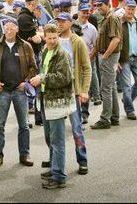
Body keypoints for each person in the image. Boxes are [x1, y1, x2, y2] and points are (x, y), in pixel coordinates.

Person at [29, 23, 75, 189]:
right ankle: (54, 168)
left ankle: (59, 177)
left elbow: (65, 78)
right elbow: (45, 70)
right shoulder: (45, 51)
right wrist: (41, 76)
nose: (52, 41)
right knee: (50, 139)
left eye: (55, 37)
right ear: (44, 38)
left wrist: (43, 78)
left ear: (58, 36)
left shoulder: (62, 54)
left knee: (57, 141)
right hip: (46, 101)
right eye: (49, 38)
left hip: (57, 102)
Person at [0, 19, 37, 168]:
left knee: (24, 125)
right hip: (3, 91)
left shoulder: (25, 46)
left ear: (17, 30)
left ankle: (24, 154)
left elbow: (33, 67)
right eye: (6, 29)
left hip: (19, 91)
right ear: (3, 30)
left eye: (11, 29)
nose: (8, 31)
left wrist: (26, 82)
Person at [55, 13, 91, 174]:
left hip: (73, 92)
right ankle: (54, 162)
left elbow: (86, 67)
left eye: (63, 21)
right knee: (54, 131)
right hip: (56, 92)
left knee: (76, 128)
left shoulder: (77, 42)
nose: (60, 24)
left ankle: (82, 160)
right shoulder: (54, 39)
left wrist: (84, 90)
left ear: (70, 23)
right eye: (58, 21)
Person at [90, 0, 121, 130]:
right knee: (111, 86)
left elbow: (116, 40)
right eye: (96, 6)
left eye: (100, 5)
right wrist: (91, 56)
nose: (98, 8)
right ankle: (114, 117)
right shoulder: (105, 18)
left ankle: (105, 119)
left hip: (110, 56)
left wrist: (105, 57)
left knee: (106, 88)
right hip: (108, 56)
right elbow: (99, 42)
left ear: (108, 4)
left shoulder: (112, 18)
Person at [118, 1, 137, 119]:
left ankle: (127, 99)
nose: (130, 11)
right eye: (128, 9)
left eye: (132, 9)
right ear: (125, 9)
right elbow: (116, 42)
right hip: (124, 58)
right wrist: (117, 60)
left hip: (136, 58)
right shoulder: (120, 23)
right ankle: (130, 110)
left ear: (135, 10)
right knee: (126, 85)